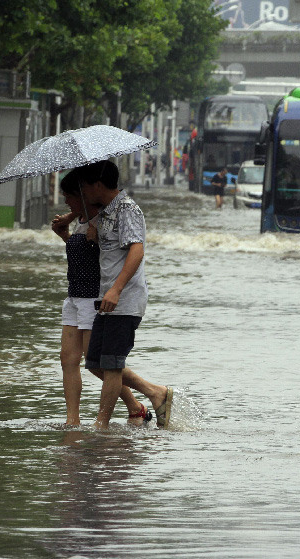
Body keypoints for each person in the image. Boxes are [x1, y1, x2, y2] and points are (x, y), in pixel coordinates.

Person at [75, 160, 173, 430]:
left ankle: (101, 425)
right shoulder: (104, 213)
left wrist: (116, 289)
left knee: (113, 365)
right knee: (96, 362)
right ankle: (155, 393)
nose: (82, 191)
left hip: (124, 299)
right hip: (106, 299)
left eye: (84, 185)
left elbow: (136, 251)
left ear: (97, 184)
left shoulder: (127, 209)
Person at [51, 170, 151, 428]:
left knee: (102, 363)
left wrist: (115, 289)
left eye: (71, 194)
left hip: (97, 296)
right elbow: (88, 256)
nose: (67, 201)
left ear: (91, 188)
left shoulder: (114, 213)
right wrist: (68, 230)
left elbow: (128, 251)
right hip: (77, 294)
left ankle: (143, 399)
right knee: (77, 360)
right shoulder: (97, 215)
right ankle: (74, 421)